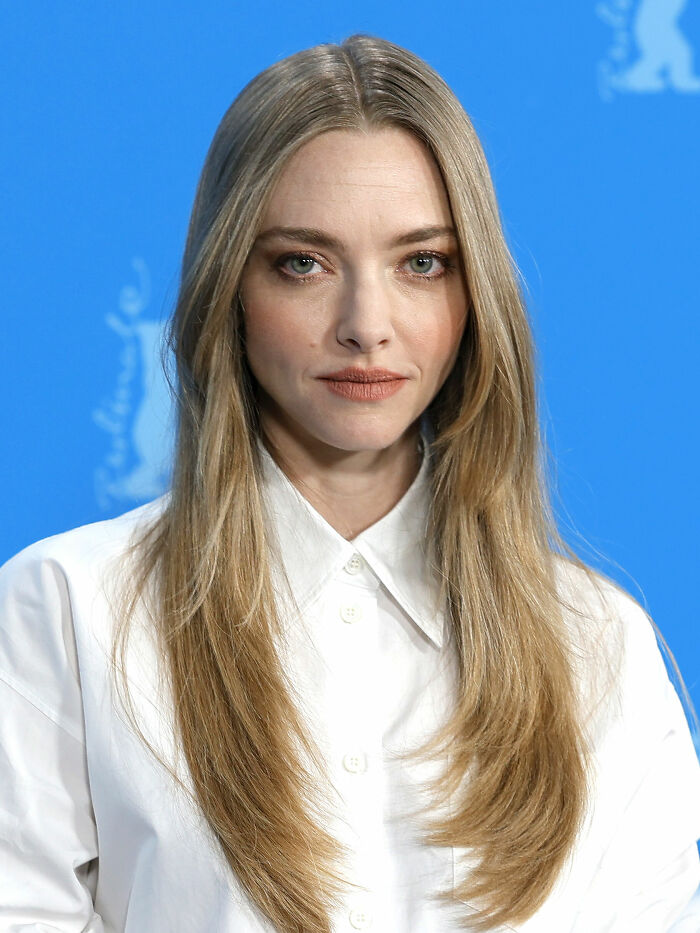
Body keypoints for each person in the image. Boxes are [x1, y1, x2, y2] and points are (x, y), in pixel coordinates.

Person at [0, 33, 699, 933]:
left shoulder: (601, 648)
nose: (366, 325)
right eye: (304, 262)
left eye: (422, 263)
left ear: (474, 296)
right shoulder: (64, 611)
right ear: (229, 290)